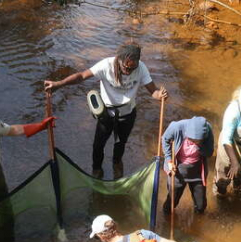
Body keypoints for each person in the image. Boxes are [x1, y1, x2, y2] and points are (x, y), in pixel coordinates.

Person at [44, 44, 168, 180]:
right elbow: (81, 76)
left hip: (127, 115)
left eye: (132, 68)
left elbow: (153, 91)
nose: (128, 71)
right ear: (118, 59)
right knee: (98, 145)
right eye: (126, 67)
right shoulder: (105, 65)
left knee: (120, 143)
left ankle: (117, 165)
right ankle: (97, 169)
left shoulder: (141, 68)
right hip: (106, 114)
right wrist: (58, 84)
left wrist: (160, 95)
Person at [161, 116, 214, 214]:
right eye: (192, 140)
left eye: (198, 140)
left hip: (197, 171)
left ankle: (197, 223)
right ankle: (166, 216)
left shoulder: (207, 129)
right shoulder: (176, 127)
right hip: (177, 170)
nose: (194, 142)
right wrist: (169, 160)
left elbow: (209, 153)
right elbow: (165, 139)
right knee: (172, 202)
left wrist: (199, 146)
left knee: (201, 206)